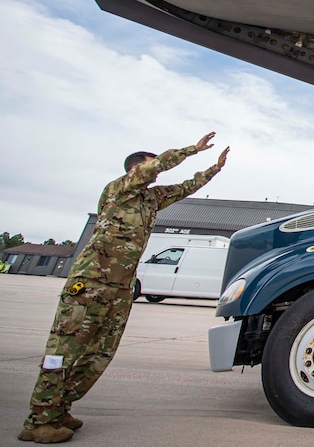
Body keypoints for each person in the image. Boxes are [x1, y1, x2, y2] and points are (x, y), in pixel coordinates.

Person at [19, 133, 229, 444]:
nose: (156, 173)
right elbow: (156, 166)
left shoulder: (149, 199)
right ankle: (38, 419)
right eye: (151, 167)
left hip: (120, 288)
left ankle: (59, 408)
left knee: (99, 353)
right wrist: (192, 151)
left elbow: (185, 188)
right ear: (134, 170)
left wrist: (214, 169)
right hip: (90, 284)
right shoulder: (117, 189)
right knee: (63, 351)